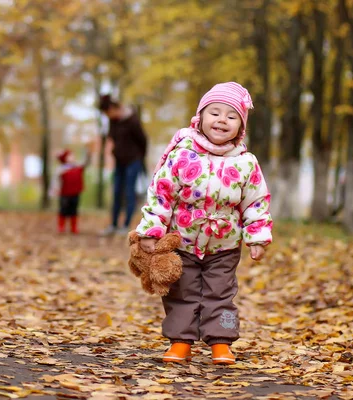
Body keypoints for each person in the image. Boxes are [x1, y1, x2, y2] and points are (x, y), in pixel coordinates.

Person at [134, 82, 272, 365]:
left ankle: (221, 342)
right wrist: (151, 229)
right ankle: (180, 341)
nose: (222, 120)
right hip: (183, 240)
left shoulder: (246, 163)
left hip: (225, 244)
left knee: (221, 294)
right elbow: (161, 194)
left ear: (240, 127)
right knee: (180, 293)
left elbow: (256, 202)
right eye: (215, 113)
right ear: (200, 118)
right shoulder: (182, 154)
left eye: (231, 116)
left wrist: (257, 237)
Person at [98, 95, 147, 235]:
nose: (108, 116)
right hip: (119, 161)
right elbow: (112, 138)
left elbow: (143, 140)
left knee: (129, 192)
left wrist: (139, 157)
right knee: (116, 192)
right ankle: (113, 225)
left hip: (133, 161)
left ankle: (125, 226)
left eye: (108, 112)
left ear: (113, 108)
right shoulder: (113, 121)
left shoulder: (132, 120)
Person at [50, 147, 91, 234]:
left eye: (73, 156)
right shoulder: (61, 169)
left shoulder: (77, 167)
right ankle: (61, 227)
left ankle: (74, 227)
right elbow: (55, 180)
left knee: (74, 210)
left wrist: (88, 154)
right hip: (64, 193)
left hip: (75, 193)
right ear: (65, 158)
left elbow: (86, 163)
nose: (73, 157)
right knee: (63, 210)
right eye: (70, 156)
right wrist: (55, 189)